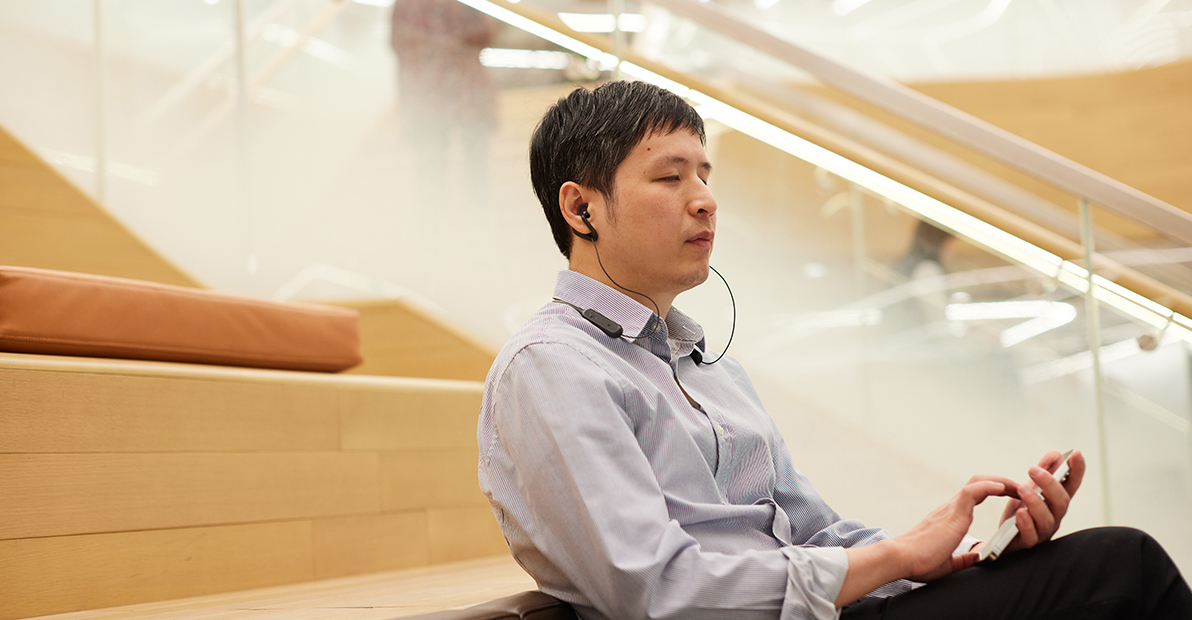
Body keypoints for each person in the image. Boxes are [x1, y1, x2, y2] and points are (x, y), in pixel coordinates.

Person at [477, 80, 1191, 620]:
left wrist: (952, 554)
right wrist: (893, 560)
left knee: (1082, 572)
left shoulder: (708, 365)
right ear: (582, 209)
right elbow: (653, 588)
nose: (704, 199)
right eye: (670, 177)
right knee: (1117, 566)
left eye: (705, 175)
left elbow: (816, 532)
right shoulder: (553, 366)